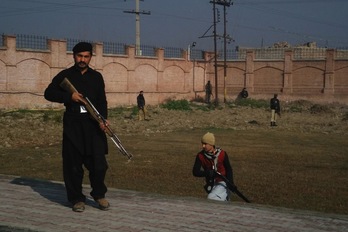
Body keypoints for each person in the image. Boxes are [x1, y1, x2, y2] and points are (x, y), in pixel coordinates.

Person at [44, 42, 110, 212]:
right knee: (73, 165)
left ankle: (99, 195)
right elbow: (48, 93)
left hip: (93, 124)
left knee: (99, 163)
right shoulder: (64, 75)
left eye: (86, 56)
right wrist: (69, 96)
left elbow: (102, 101)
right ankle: (76, 199)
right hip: (73, 123)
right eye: (79, 56)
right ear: (74, 56)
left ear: (90, 57)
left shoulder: (97, 77)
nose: (82, 59)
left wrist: (103, 119)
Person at [192, 132, 235, 201]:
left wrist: (231, 183)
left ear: (211, 144)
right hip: (211, 183)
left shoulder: (222, 154)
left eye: (205, 144)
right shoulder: (200, 156)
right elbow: (195, 172)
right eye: (202, 144)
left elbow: (228, 169)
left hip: (222, 182)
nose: (203, 146)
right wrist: (208, 173)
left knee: (211, 198)